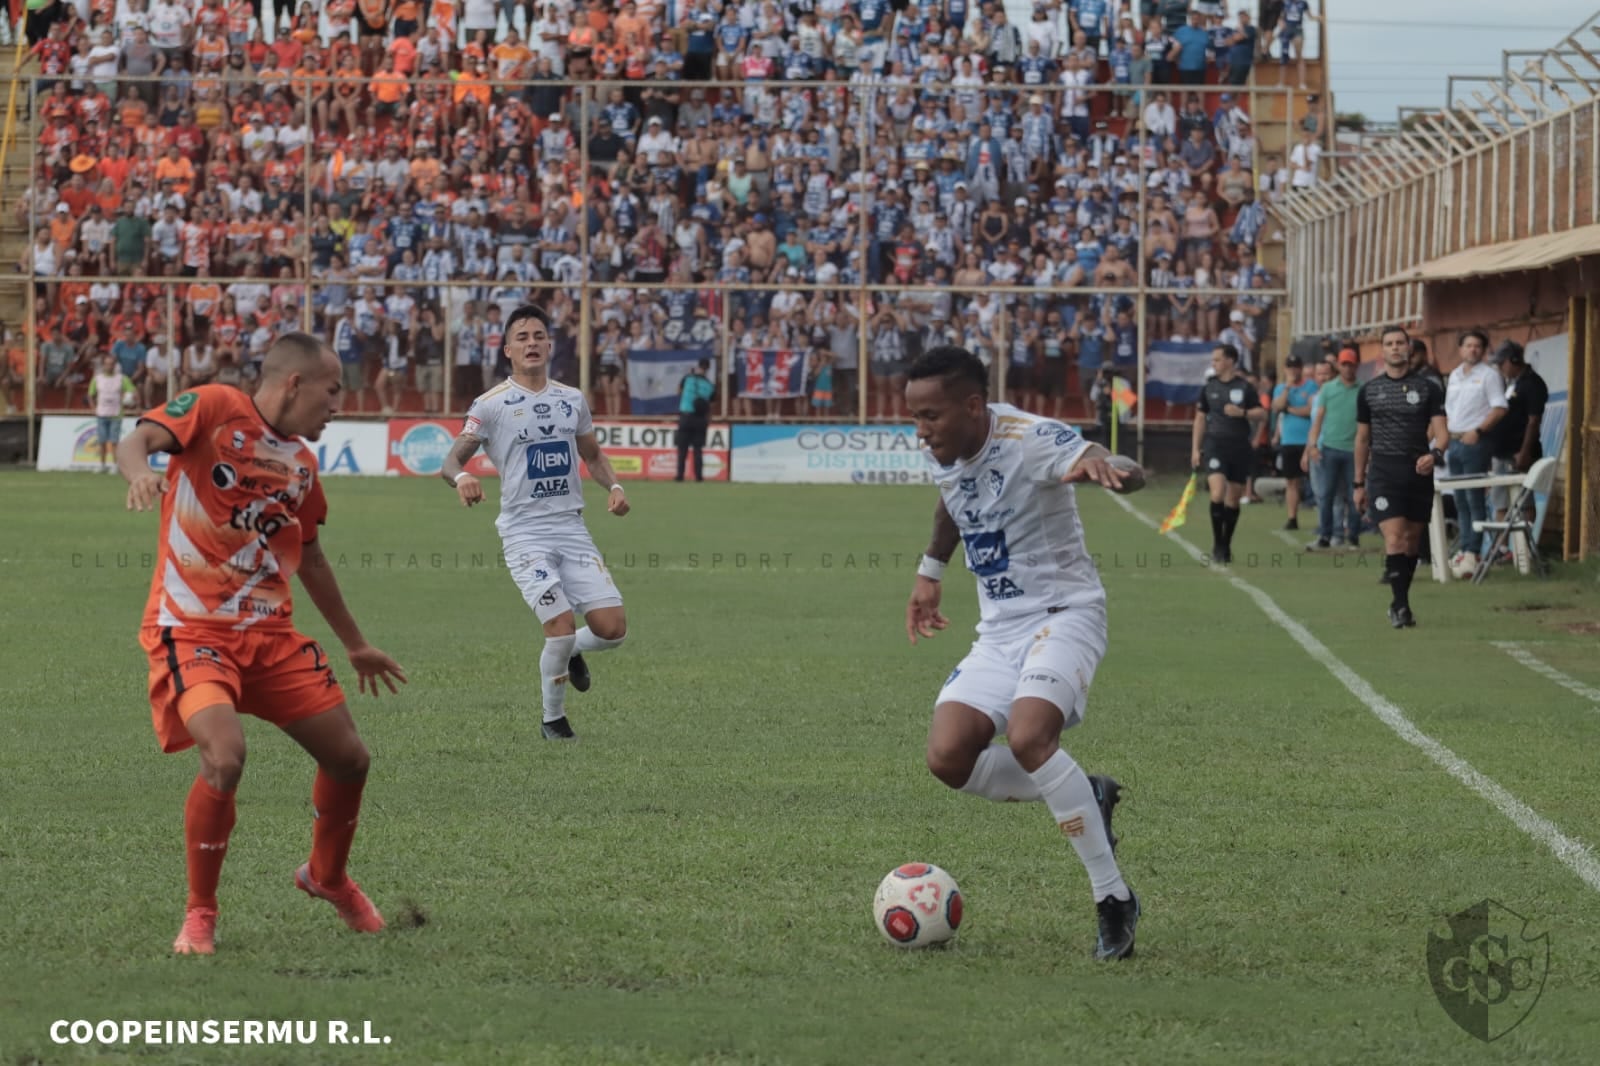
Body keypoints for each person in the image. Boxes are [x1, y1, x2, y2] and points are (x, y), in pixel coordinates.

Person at [116, 333, 409, 956]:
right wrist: (141, 470)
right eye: (333, 391)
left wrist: (356, 644)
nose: (339, 405)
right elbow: (137, 437)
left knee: (351, 759)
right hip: (191, 631)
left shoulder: (302, 464)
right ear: (295, 383)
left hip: (271, 639)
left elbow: (312, 557)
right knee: (224, 757)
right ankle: (200, 913)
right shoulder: (216, 406)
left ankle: (326, 879)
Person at [902, 345, 1145, 962]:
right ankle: (1087, 793)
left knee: (1031, 737)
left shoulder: (1029, 437)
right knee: (948, 756)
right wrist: (930, 571)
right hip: (1001, 629)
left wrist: (1109, 467)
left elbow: (1096, 455)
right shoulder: (948, 449)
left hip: (1065, 614)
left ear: (974, 406)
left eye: (930, 416)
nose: (921, 430)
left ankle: (1112, 898)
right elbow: (951, 500)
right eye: (915, 417)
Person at [442, 304, 630, 741]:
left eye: (538, 335)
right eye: (522, 337)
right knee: (559, 626)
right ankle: (553, 720)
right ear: (508, 349)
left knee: (613, 630)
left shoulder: (571, 400)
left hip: (572, 529)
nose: (531, 343)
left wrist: (615, 487)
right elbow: (451, 460)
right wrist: (464, 476)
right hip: (525, 534)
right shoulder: (490, 406)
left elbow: (593, 456)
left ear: (549, 344)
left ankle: (571, 653)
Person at [1354, 325, 1448, 628]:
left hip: (1417, 472)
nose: (1395, 348)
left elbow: (1443, 434)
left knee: (1411, 541)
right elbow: (1362, 439)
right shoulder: (1369, 391)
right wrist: (1358, 482)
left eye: (1400, 343)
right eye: (1389, 343)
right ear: (1382, 350)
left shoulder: (1428, 388)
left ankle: (1401, 600)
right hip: (1383, 472)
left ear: (1408, 348)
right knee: (1394, 538)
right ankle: (1400, 605)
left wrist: (1433, 456)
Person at [1190, 344, 1264, 564]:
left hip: (1239, 447)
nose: (1214, 364)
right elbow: (1200, 418)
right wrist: (1195, 448)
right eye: (1213, 360)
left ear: (1230, 361)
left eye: (1217, 360)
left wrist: (1242, 412)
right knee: (1217, 492)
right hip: (1215, 444)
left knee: (1233, 498)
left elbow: (1261, 413)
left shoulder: (1245, 387)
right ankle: (1217, 544)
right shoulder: (1208, 387)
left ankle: (1226, 543)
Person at [1442, 329, 1506, 575]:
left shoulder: (1489, 375)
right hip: (1455, 440)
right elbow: (1450, 409)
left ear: (1483, 350)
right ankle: (1464, 548)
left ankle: (1474, 552)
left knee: (1474, 497)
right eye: (1468, 345)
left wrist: (1478, 431)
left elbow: (1499, 408)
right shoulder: (1455, 375)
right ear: (1461, 349)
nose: (1473, 350)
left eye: (1477, 346)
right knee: (1459, 499)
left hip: (1475, 441)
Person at [1302, 349, 1360, 549]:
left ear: (1356, 365)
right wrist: (1312, 445)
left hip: (1354, 450)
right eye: (1344, 364)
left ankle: (1352, 535)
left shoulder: (1362, 390)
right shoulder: (1328, 390)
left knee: (1355, 495)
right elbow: (1318, 420)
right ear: (1339, 366)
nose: (1347, 367)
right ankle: (1326, 536)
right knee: (1326, 495)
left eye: (1350, 364)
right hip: (1330, 448)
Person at [1488, 340, 1548, 520]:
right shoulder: (1512, 383)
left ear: (1513, 360)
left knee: (1524, 501)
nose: (1500, 368)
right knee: (1500, 501)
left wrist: (1524, 452)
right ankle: (1501, 547)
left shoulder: (1533, 384)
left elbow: (1533, 420)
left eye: (1502, 363)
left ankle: (1525, 547)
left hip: (1518, 453)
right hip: (1502, 452)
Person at [1270, 354, 1316, 530]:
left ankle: (1323, 519)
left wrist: (1290, 409)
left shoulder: (1311, 386)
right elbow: (1276, 407)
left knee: (1316, 481)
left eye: (1296, 367)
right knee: (1292, 481)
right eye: (1290, 367)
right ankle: (1292, 518)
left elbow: (1310, 410)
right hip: (1289, 441)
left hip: (1308, 440)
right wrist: (1287, 388)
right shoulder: (1281, 388)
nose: (1293, 370)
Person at [88, 353, 135, 472]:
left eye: (111, 364)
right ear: (103, 365)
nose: (109, 366)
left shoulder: (122, 379)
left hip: (116, 414)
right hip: (101, 414)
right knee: (102, 441)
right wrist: (93, 408)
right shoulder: (97, 379)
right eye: (107, 364)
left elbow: (132, 391)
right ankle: (102, 465)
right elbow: (90, 394)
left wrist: (128, 399)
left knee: (114, 442)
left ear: (115, 366)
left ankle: (115, 465)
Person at [676, 357, 715, 482]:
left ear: (698, 366)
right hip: (700, 419)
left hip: (686, 415)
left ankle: (680, 476)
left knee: (682, 449)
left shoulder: (687, 378)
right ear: (708, 368)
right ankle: (699, 477)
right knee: (698, 450)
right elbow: (711, 404)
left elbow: (678, 392)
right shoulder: (710, 385)